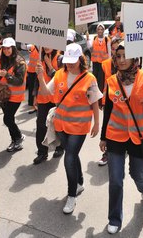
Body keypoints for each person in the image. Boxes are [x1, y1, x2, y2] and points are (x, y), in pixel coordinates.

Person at [99, 41, 143, 234]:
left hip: (139, 137)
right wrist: (103, 137)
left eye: (125, 55)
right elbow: (108, 111)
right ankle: (114, 218)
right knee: (116, 179)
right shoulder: (112, 81)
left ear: (135, 57)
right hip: (116, 135)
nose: (122, 60)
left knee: (137, 174)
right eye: (118, 56)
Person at [36, 43, 102, 214]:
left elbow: (95, 101)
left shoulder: (90, 78)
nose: (70, 64)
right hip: (61, 124)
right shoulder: (59, 74)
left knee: (69, 157)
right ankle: (79, 183)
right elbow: (45, 92)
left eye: (73, 61)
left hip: (80, 126)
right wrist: (40, 76)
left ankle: (71, 195)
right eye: (67, 61)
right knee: (72, 156)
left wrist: (97, 123)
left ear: (81, 59)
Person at [0, 38, 27, 152]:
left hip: (15, 96)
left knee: (7, 119)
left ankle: (19, 137)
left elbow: (19, 81)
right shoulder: (2, 60)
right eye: (4, 48)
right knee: (9, 119)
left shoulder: (20, 62)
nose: (6, 50)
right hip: (3, 95)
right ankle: (14, 140)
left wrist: (6, 75)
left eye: (8, 48)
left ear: (13, 48)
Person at [32, 47, 63, 164]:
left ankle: (60, 147)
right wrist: (34, 95)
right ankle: (42, 152)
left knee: (57, 124)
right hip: (43, 98)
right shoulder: (40, 58)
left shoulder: (60, 58)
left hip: (56, 98)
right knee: (40, 124)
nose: (46, 46)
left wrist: (50, 66)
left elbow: (61, 78)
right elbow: (36, 79)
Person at [97, 37, 121, 166]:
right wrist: (101, 100)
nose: (115, 51)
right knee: (107, 126)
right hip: (109, 100)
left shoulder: (127, 63)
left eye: (117, 48)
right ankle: (106, 153)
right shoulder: (105, 64)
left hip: (124, 102)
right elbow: (102, 83)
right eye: (113, 48)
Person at [86, 23, 111, 92]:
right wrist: (87, 39)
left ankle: (100, 92)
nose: (100, 31)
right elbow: (90, 47)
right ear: (97, 30)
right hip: (95, 62)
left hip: (103, 63)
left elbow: (109, 52)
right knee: (95, 78)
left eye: (101, 29)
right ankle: (95, 92)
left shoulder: (106, 39)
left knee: (101, 79)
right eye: (98, 29)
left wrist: (109, 63)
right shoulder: (94, 38)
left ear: (103, 30)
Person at [26, 44, 40, 114]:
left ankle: (37, 104)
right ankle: (32, 104)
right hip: (31, 71)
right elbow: (23, 47)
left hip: (38, 71)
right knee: (31, 88)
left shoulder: (43, 47)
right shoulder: (31, 47)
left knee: (37, 88)